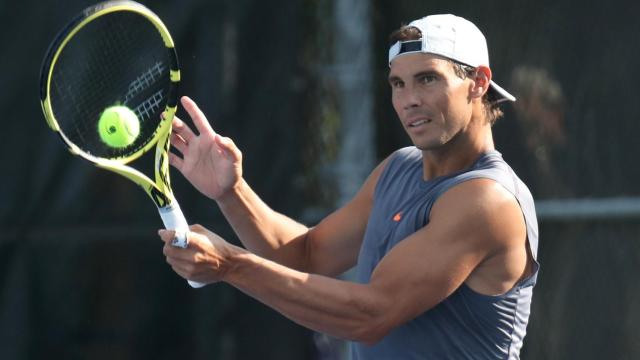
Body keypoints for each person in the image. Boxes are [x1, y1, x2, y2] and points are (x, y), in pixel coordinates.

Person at [158, 13, 539, 359]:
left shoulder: (487, 200)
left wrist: (230, 265)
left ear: (478, 82)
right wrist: (232, 192)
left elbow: (369, 315)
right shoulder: (399, 168)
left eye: (427, 79)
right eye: (398, 83)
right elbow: (306, 256)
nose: (408, 100)